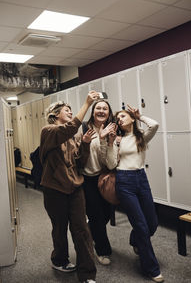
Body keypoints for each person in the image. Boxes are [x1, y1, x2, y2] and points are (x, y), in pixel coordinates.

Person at [39, 91, 100, 283]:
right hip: (54, 190)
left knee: (82, 230)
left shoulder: (74, 137)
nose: (71, 112)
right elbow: (69, 127)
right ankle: (59, 259)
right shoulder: (48, 131)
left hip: (75, 189)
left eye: (72, 110)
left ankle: (87, 274)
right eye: (67, 110)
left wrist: (85, 144)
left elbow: (80, 162)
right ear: (56, 114)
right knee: (59, 228)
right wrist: (87, 104)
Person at [114, 105, 164, 283]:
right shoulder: (117, 139)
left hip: (141, 179)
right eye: (117, 118)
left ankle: (135, 240)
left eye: (123, 116)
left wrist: (139, 115)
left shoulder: (140, 136)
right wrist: (113, 143)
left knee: (152, 222)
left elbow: (155, 125)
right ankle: (151, 268)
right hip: (124, 181)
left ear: (131, 118)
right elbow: (110, 161)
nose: (120, 119)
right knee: (142, 226)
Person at [77, 99, 118, 266]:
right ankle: (102, 251)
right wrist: (93, 140)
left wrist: (107, 141)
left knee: (106, 214)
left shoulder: (112, 130)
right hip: (87, 178)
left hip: (104, 177)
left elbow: (108, 162)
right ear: (93, 112)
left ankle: (92, 229)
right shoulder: (84, 129)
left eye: (105, 109)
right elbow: (79, 155)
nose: (101, 111)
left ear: (109, 113)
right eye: (98, 108)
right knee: (97, 216)